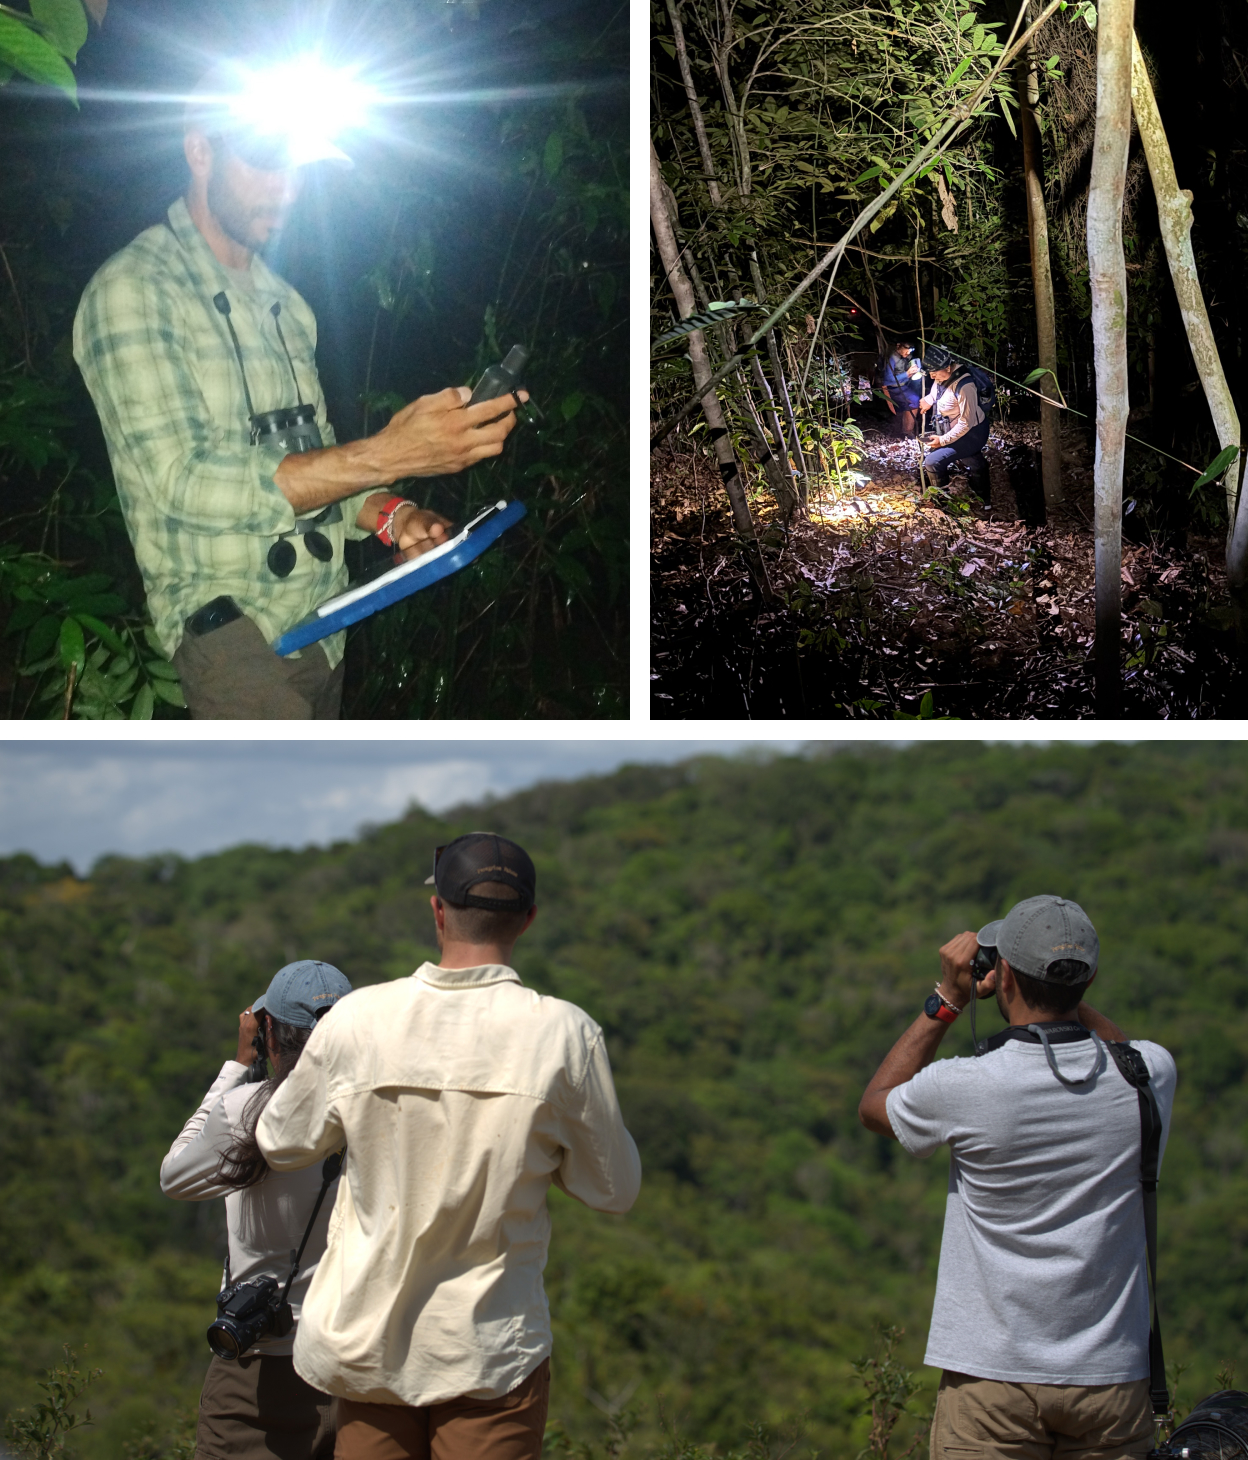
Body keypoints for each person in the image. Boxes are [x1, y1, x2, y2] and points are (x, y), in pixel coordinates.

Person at [72, 59, 527, 719]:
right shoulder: (135, 289)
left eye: (299, 168)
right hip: (231, 635)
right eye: (266, 161)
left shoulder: (288, 305)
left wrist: (393, 515)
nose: (286, 188)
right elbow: (180, 481)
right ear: (199, 148)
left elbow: (315, 468)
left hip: (326, 627)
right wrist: (392, 452)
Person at [256, 832, 641, 1460]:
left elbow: (280, 1142)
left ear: (438, 909)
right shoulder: (564, 1034)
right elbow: (614, 1190)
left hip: (368, 1341)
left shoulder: (358, 1020)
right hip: (488, 1345)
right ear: (529, 919)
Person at [857, 895, 1177, 1460]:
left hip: (992, 1379)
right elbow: (1117, 1048)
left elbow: (875, 1106)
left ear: (1002, 974)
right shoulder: (1148, 1075)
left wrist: (948, 1000)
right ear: (1090, 978)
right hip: (1111, 1379)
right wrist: (1064, 996)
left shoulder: (967, 1086)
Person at [161, 959, 354, 1460]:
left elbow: (175, 1175)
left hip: (260, 1369)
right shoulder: (379, 1112)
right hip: (355, 1364)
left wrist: (236, 1068)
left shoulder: (244, 1110)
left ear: (268, 1033)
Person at [917, 344, 990, 497]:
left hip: (973, 433)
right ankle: (982, 488)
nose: (932, 376)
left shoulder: (965, 386)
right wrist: (929, 400)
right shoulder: (941, 376)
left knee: (933, 461)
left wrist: (942, 441)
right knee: (970, 459)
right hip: (953, 429)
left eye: (934, 372)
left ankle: (941, 502)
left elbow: (966, 422)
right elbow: (937, 394)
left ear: (948, 368)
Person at [880, 341, 924, 436]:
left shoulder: (907, 357)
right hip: (892, 388)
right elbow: (888, 380)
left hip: (904, 385)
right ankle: (907, 431)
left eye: (911, 349)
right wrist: (907, 374)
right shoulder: (892, 358)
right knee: (914, 400)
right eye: (907, 349)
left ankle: (905, 430)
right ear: (898, 346)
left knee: (915, 396)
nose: (908, 352)